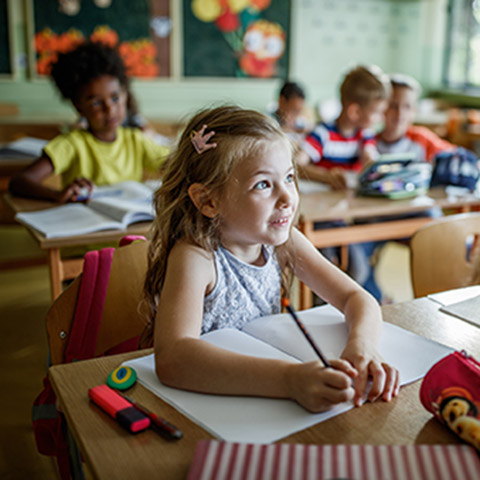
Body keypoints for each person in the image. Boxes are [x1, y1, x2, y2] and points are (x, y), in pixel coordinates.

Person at [141, 105, 399, 413]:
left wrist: (363, 346)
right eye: (263, 184)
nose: (288, 197)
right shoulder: (196, 257)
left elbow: (357, 297)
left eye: (289, 177)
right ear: (208, 200)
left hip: (267, 407)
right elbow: (173, 359)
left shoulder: (283, 243)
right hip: (211, 410)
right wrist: (289, 380)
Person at [9, 41, 170, 203]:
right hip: (84, 225)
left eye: (115, 98)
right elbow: (20, 181)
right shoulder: (71, 144)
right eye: (96, 103)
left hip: (126, 227)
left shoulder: (136, 140)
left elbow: (172, 164)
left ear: (125, 95)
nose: (110, 109)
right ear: (78, 107)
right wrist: (57, 194)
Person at [296, 65, 390, 190]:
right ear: (355, 112)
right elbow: (297, 165)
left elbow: (370, 157)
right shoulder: (323, 133)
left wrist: (374, 164)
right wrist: (326, 176)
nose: (381, 118)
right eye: (377, 112)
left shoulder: (365, 134)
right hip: (323, 200)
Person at [376, 73, 454, 161]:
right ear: (381, 107)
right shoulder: (369, 142)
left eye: (407, 106)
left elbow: (456, 155)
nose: (400, 113)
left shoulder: (422, 139)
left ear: (414, 110)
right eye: (393, 105)